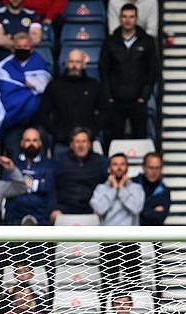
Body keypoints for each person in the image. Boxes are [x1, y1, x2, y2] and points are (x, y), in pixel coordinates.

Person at [99, 3, 158, 144]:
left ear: (136, 19)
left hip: (138, 101)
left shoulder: (147, 41)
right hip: (116, 101)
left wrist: (144, 96)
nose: (128, 20)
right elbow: (104, 70)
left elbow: (153, 70)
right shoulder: (110, 42)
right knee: (114, 140)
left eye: (131, 16)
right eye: (124, 16)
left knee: (139, 140)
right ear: (120, 18)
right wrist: (109, 97)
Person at [0, 33, 51, 157]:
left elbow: (46, 87)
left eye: (25, 46)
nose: (22, 49)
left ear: (32, 48)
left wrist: (35, 85)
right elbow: (2, 92)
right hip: (12, 123)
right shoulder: (3, 68)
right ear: (12, 48)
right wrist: (30, 84)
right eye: (19, 46)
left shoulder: (41, 64)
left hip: (37, 121)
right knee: (12, 147)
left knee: (42, 142)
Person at [92, 153, 145, 297]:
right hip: (108, 242)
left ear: (127, 168)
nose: (119, 167)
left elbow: (136, 208)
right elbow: (99, 209)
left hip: (130, 242)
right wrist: (113, 190)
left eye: (122, 164)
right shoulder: (100, 189)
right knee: (108, 286)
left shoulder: (136, 188)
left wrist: (121, 190)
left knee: (133, 285)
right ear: (109, 168)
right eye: (115, 164)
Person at [39, 49, 106, 155]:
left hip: (87, 142)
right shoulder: (55, 86)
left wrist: (92, 133)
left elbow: (105, 112)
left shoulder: (94, 85)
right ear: (66, 63)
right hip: (61, 143)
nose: (74, 65)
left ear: (84, 64)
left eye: (78, 62)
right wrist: (57, 133)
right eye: (71, 62)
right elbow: (43, 113)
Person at [3, 127, 57, 227]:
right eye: (28, 140)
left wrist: (23, 183)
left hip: (40, 217)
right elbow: (7, 186)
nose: (31, 144)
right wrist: (39, 183)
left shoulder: (49, 165)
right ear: (21, 143)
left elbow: (49, 186)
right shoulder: (11, 163)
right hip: (15, 216)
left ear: (40, 143)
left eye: (35, 140)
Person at [52, 127, 109, 220]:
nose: (81, 145)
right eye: (77, 142)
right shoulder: (60, 161)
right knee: (54, 215)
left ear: (90, 144)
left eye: (84, 141)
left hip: (92, 207)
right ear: (71, 145)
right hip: (66, 206)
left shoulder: (100, 161)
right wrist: (53, 208)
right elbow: (52, 187)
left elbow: (107, 186)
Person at [136, 151, 171, 226]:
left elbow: (159, 218)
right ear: (144, 167)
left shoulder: (164, 190)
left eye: (157, 168)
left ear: (161, 169)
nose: (154, 171)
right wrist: (152, 210)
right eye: (151, 168)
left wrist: (141, 209)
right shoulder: (132, 184)